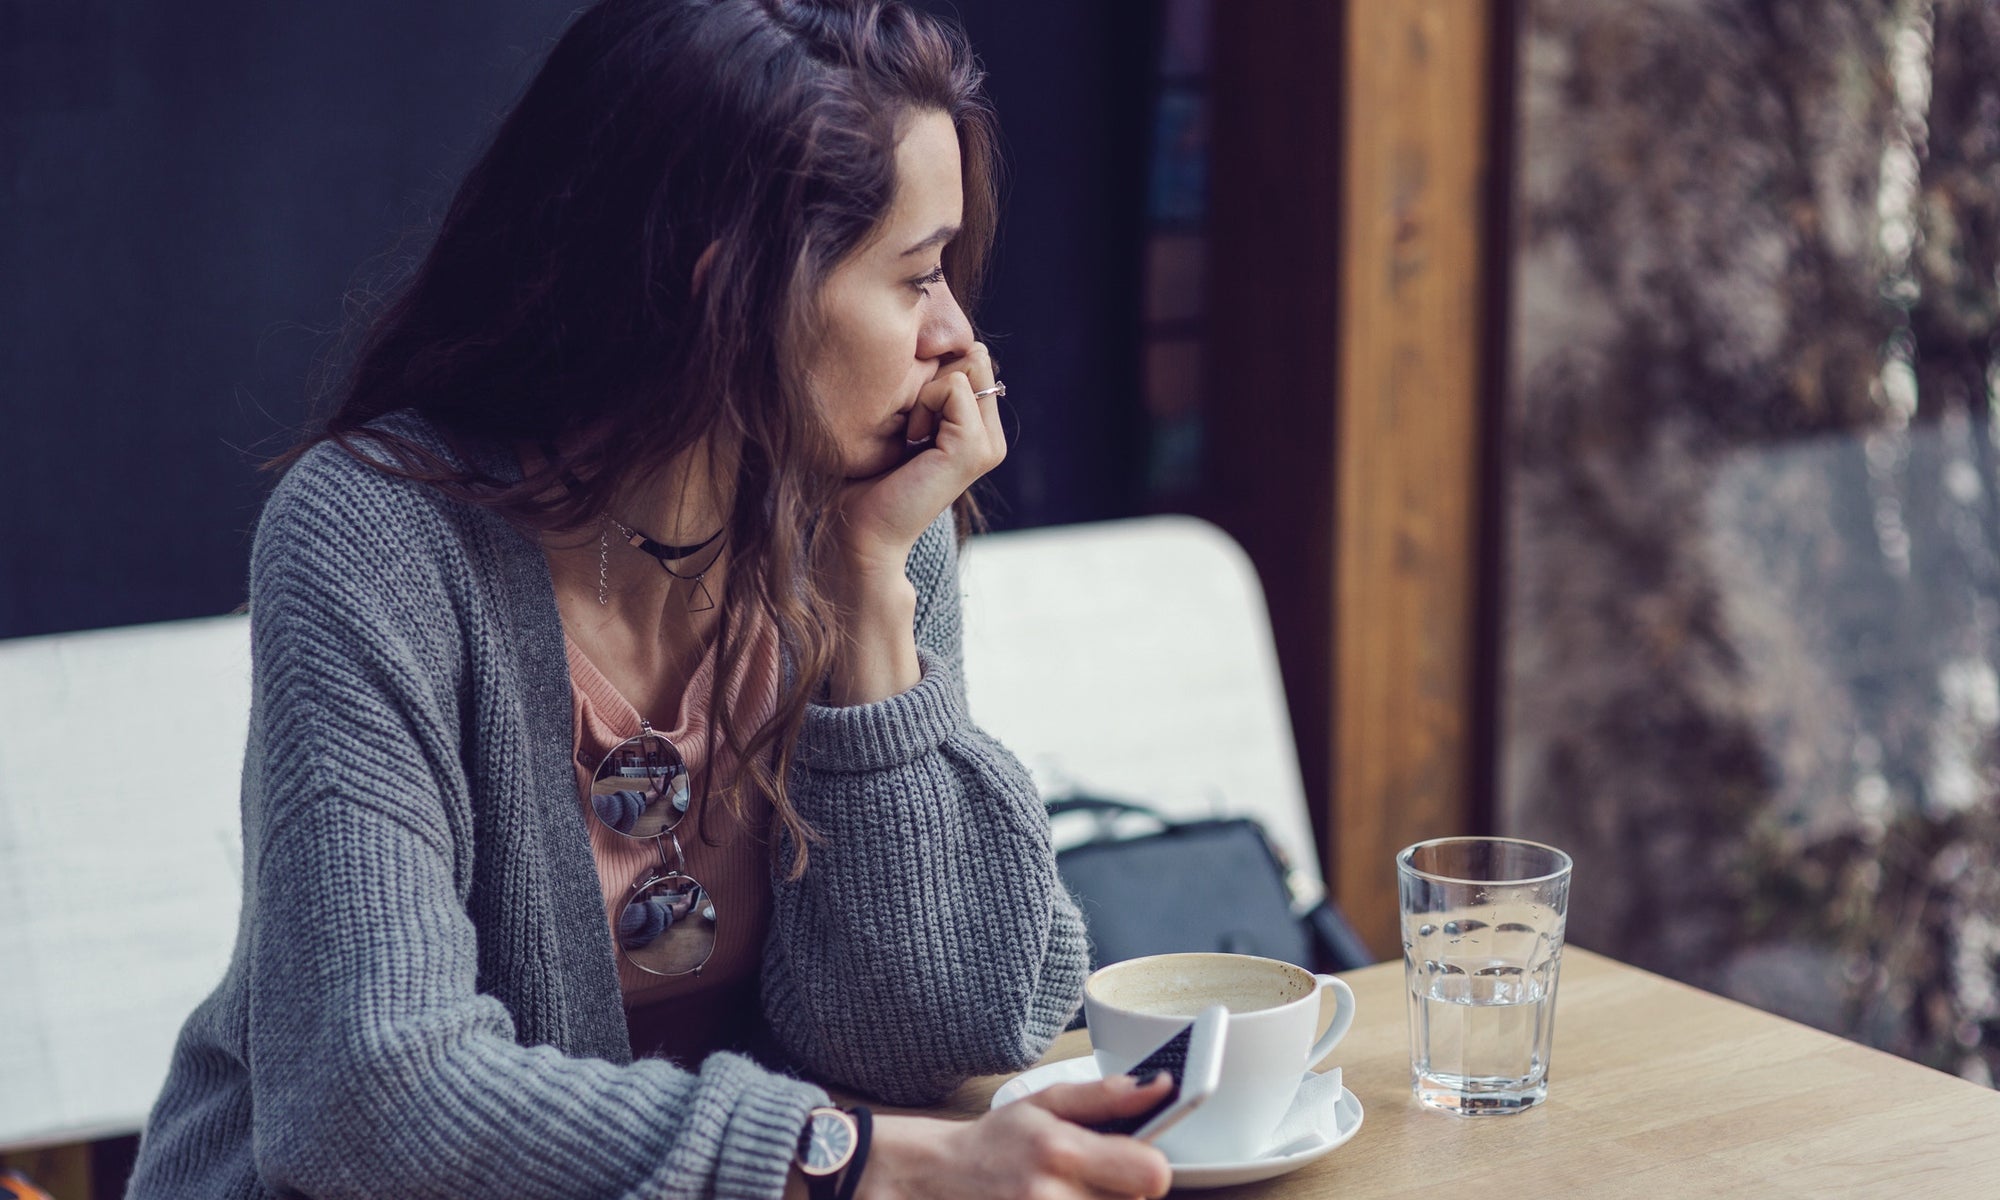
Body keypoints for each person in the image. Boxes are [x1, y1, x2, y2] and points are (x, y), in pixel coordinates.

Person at [122, 1, 1175, 1197]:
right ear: (727, 293)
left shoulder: (858, 520)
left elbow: (932, 1036)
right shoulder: (376, 541)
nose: (956, 337)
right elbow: (370, 1093)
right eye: (916, 275)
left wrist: (871, 599)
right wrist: (843, 1161)